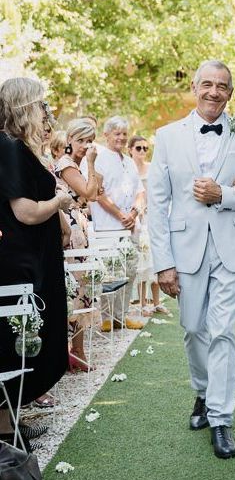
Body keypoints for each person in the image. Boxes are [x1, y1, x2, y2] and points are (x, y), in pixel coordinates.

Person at [147, 60, 235, 459]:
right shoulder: (167, 137)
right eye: (207, 84)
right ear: (195, 88)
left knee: (222, 331)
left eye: (222, 86)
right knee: (193, 330)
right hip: (185, 251)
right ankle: (202, 393)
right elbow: (158, 204)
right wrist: (163, 263)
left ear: (231, 94)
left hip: (232, 249)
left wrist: (225, 195)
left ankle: (221, 419)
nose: (214, 92)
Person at [0, 78, 73, 442]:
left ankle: (10, 420)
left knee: (26, 337)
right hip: (20, 261)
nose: (46, 112)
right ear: (24, 106)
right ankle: (5, 428)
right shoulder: (10, 148)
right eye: (41, 105)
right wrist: (59, 202)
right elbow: (26, 212)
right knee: (15, 341)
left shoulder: (20, 147)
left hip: (35, 256)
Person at [83, 116, 145, 330]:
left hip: (131, 227)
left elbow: (140, 192)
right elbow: (98, 194)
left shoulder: (129, 161)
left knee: (130, 271)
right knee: (111, 271)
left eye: (124, 134)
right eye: (117, 133)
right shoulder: (98, 159)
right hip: (109, 226)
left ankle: (122, 315)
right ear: (106, 135)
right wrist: (121, 215)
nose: (121, 137)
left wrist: (134, 212)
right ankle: (108, 317)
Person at [56, 117, 101, 370]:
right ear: (69, 140)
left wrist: (93, 172)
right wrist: (93, 166)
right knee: (73, 291)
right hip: (70, 231)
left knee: (82, 291)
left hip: (80, 227)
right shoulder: (66, 164)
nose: (85, 146)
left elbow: (95, 193)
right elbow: (89, 193)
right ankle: (69, 352)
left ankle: (78, 350)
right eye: (81, 140)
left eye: (90, 141)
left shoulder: (77, 164)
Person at [128, 134, 170, 318]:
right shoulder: (127, 168)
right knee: (141, 259)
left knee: (155, 257)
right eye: (138, 148)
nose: (142, 151)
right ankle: (143, 302)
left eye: (145, 148)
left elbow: (158, 191)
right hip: (136, 216)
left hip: (152, 215)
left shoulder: (152, 168)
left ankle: (157, 301)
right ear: (130, 150)